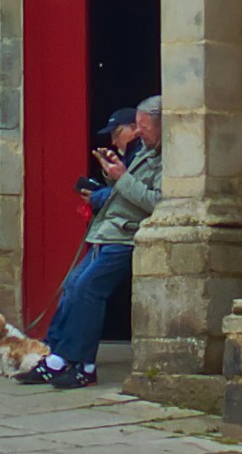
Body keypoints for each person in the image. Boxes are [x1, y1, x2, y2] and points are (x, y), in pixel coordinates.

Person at [31, 96, 158, 389]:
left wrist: (120, 178)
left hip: (124, 235)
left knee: (88, 289)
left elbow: (155, 201)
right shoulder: (142, 154)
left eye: (143, 127)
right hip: (106, 233)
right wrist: (112, 172)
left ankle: (82, 363)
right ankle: (56, 355)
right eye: (137, 127)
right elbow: (123, 191)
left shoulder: (161, 158)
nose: (138, 134)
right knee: (74, 284)